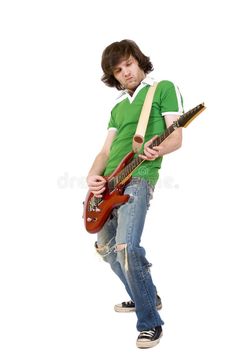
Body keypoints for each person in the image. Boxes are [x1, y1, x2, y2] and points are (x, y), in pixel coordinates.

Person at [86, 39, 183, 349]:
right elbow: (105, 151)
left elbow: (176, 135)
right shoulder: (117, 107)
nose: (125, 72)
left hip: (139, 176)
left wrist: (158, 150)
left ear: (139, 62)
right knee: (106, 249)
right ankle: (144, 294)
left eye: (128, 64)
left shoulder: (163, 88)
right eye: (117, 70)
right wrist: (92, 175)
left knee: (127, 247)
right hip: (108, 184)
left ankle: (149, 323)